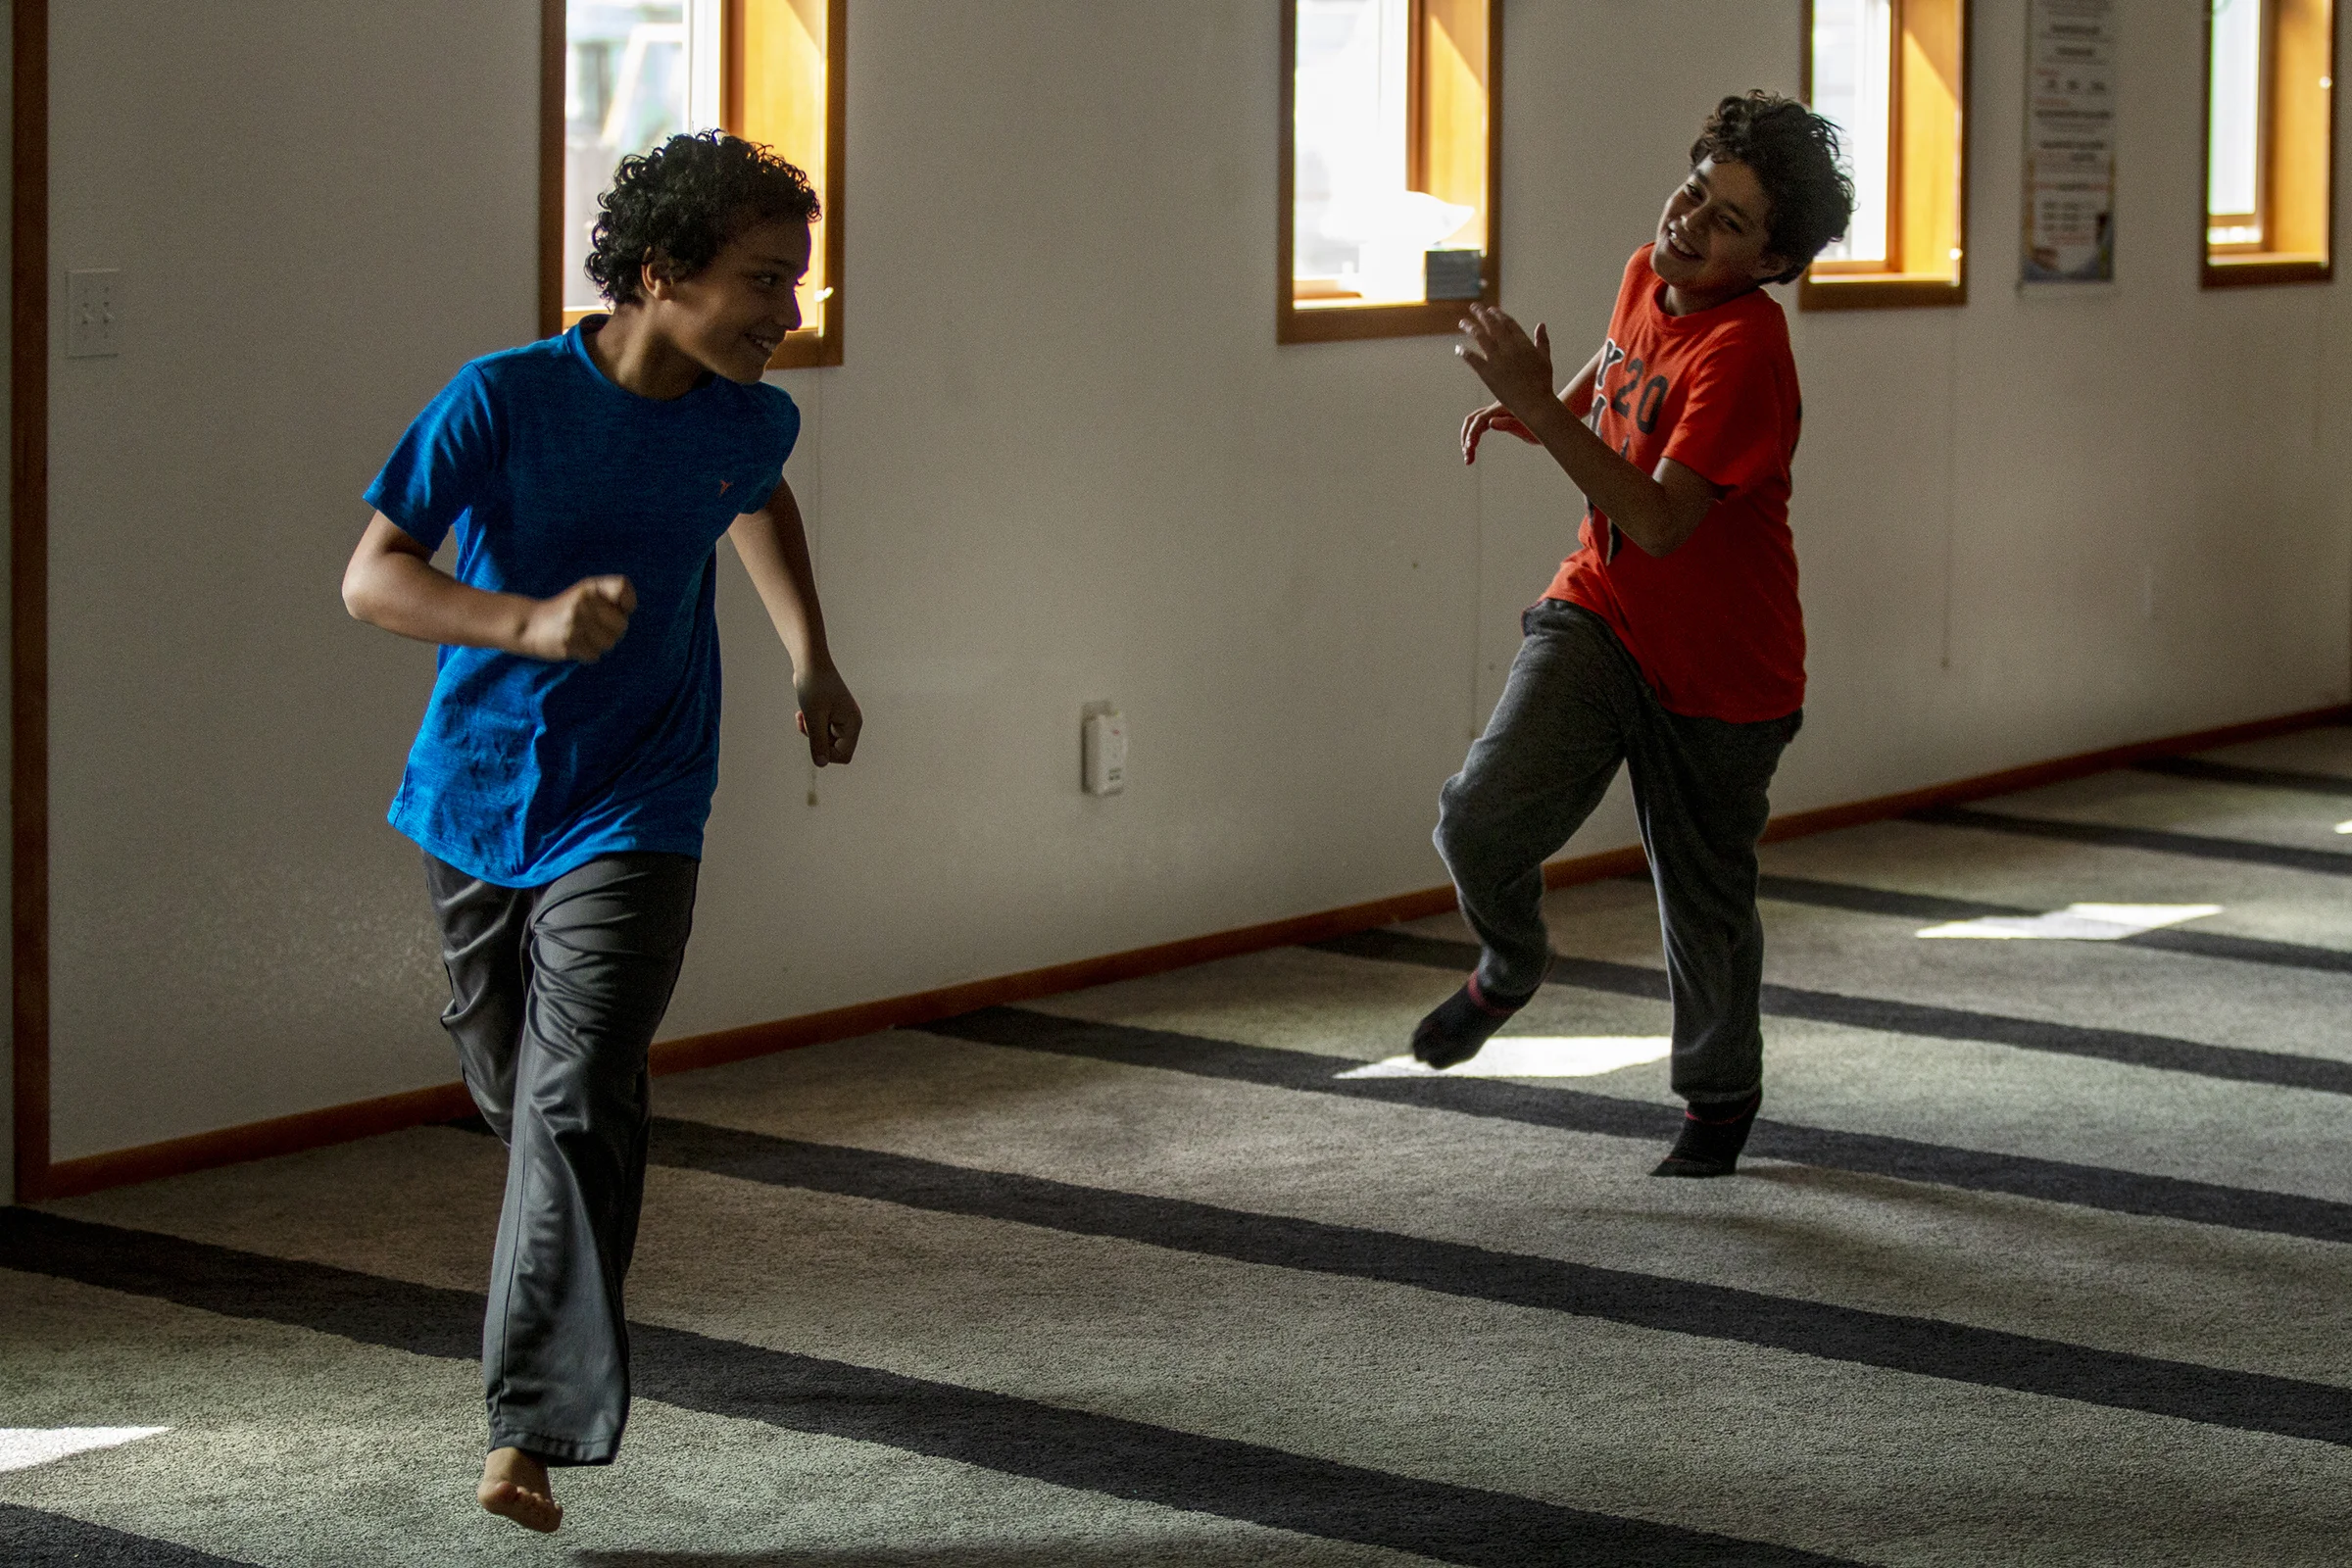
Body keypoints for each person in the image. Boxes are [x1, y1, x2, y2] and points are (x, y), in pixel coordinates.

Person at [340, 130, 859, 1533]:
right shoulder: (500, 401)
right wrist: (524, 624)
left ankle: (527, 1434)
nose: (788, 314)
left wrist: (809, 652)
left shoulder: (751, 418)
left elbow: (755, 497)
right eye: (763, 281)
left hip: (643, 800)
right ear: (658, 273)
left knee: (577, 1103)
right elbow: (371, 579)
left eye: (796, 283)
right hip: (477, 794)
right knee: (524, 1099)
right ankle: (543, 1344)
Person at [1422, 92, 1853, 1178]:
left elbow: (1661, 519)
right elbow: (1618, 381)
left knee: (1703, 900)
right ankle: (1510, 965)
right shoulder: (1643, 271)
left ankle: (1718, 1108)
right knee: (1479, 816)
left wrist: (1544, 406)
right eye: (1694, 190)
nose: (1689, 225)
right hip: (1603, 612)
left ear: (1773, 261)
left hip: (1725, 673)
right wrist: (1540, 408)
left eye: (1728, 222)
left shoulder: (1749, 349)